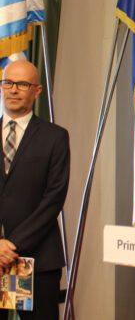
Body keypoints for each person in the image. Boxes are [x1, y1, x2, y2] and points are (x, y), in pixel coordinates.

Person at [0, 60, 70, 320]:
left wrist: (12, 245)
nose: (13, 90)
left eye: (22, 84)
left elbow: (54, 198)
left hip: (36, 260)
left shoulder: (55, 137)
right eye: (8, 83)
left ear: (37, 91)